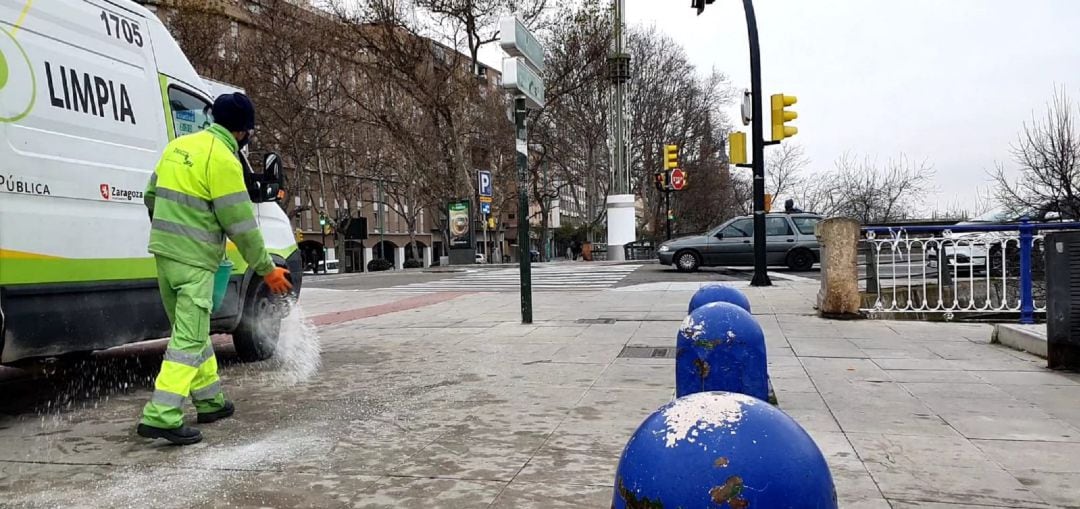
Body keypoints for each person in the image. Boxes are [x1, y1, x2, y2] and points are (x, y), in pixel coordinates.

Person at [138, 93, 292, 445]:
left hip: (164, 255)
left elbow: (150, 196)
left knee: (189, 330)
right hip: (195, 260)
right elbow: (241, 225)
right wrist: (267, 269)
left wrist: (170, 232)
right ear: (242, 131)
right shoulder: (223, 159)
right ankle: (161, 415)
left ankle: (210, 400)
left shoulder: (177, 147)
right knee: (189, 338)